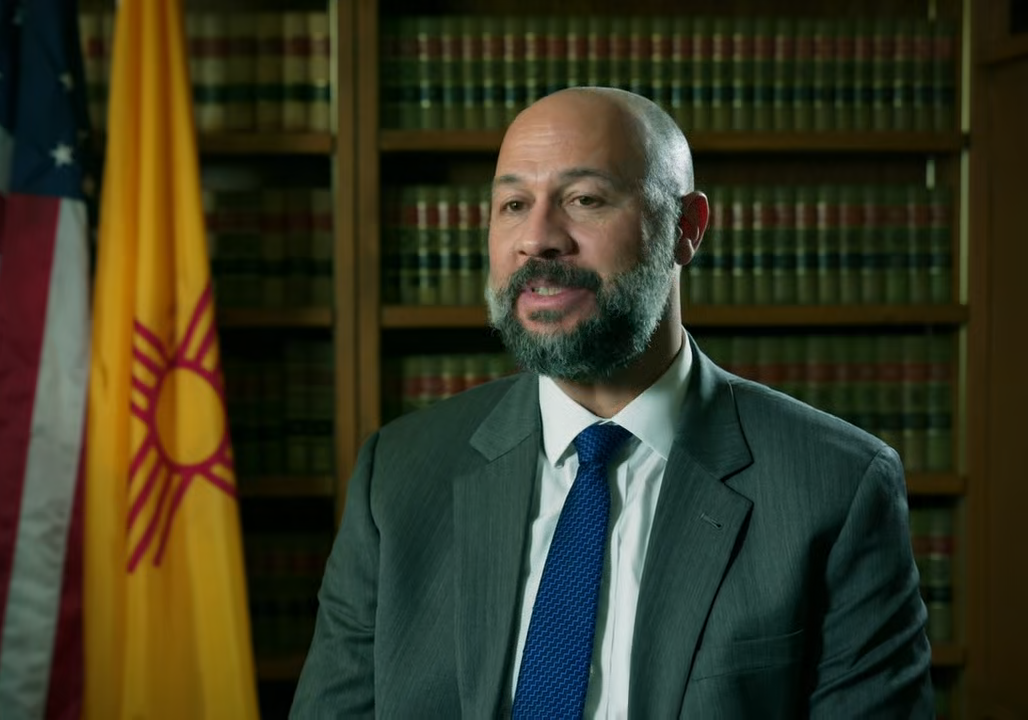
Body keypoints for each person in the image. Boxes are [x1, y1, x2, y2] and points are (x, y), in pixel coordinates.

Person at [290, 87, 933, 718]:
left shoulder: (836, 488)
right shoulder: (397, 478)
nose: (537, 239)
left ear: (686, 228)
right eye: (513, 204)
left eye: (585, 199)